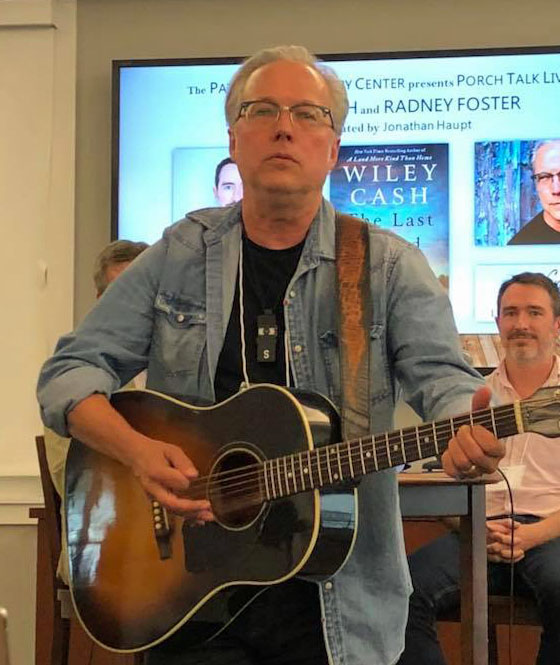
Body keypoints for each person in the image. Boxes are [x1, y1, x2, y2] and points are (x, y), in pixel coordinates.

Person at [37, 45, 505, 665]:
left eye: (309, 114)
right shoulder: (180, 252)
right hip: (188, 596)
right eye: (262, 110)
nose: (285, 126)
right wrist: (139, 453)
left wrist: (464, 424)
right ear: (233, 137)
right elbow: (66, 375)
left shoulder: (388, 265)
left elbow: (442, 380)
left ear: (334, 149)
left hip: (336, 604)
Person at [399, 272, 560, 665]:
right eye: (510, 313)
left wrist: (532, 534)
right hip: (475, 533)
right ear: (498, 323)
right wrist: (472, 527)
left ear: (559, 324)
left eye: (534, 312)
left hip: (554, 535)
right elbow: (442, 480)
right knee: (400, 591)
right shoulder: (465, 399)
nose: (521, 323)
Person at [43, 238, 149, 581]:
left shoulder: (180, 369)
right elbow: (70, 477)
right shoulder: (79, 378)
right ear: (102, 303)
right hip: (105, 549)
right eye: (123, 295)